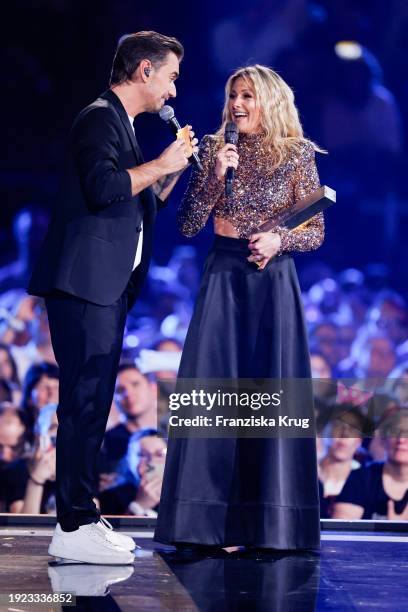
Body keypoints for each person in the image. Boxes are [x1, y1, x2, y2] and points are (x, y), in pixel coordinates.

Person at [27, 31, 198, 565]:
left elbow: (135, 202)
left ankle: (80, 515)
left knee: (93, 401)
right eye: (170, 77)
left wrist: (175, 173)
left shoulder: (121, 126)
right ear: (144, 70)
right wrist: (162, 164)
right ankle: (71, 522)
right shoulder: (98, 117)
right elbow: (104, 189)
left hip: (105, 287)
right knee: (83, 402)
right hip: (83, 284)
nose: (173, 91)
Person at [155, 65, 325, 551]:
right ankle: (198, 525)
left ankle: (271, 526)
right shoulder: (213, 148)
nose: (238, 105)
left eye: (248, 95)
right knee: (212, 392)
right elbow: (188, 224)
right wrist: (213, 175)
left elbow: (315, 229)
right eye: (233, 95)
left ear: (269, 100)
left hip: (272, 279)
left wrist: (279, 238)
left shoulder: (298, 155)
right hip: (223, 277)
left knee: (269, 393)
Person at [332, 408, 408, 520]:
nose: (401, 440)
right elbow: (342, 533)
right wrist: (392, 530)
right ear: (383, 438)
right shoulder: (360, 478)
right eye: (394, 432)